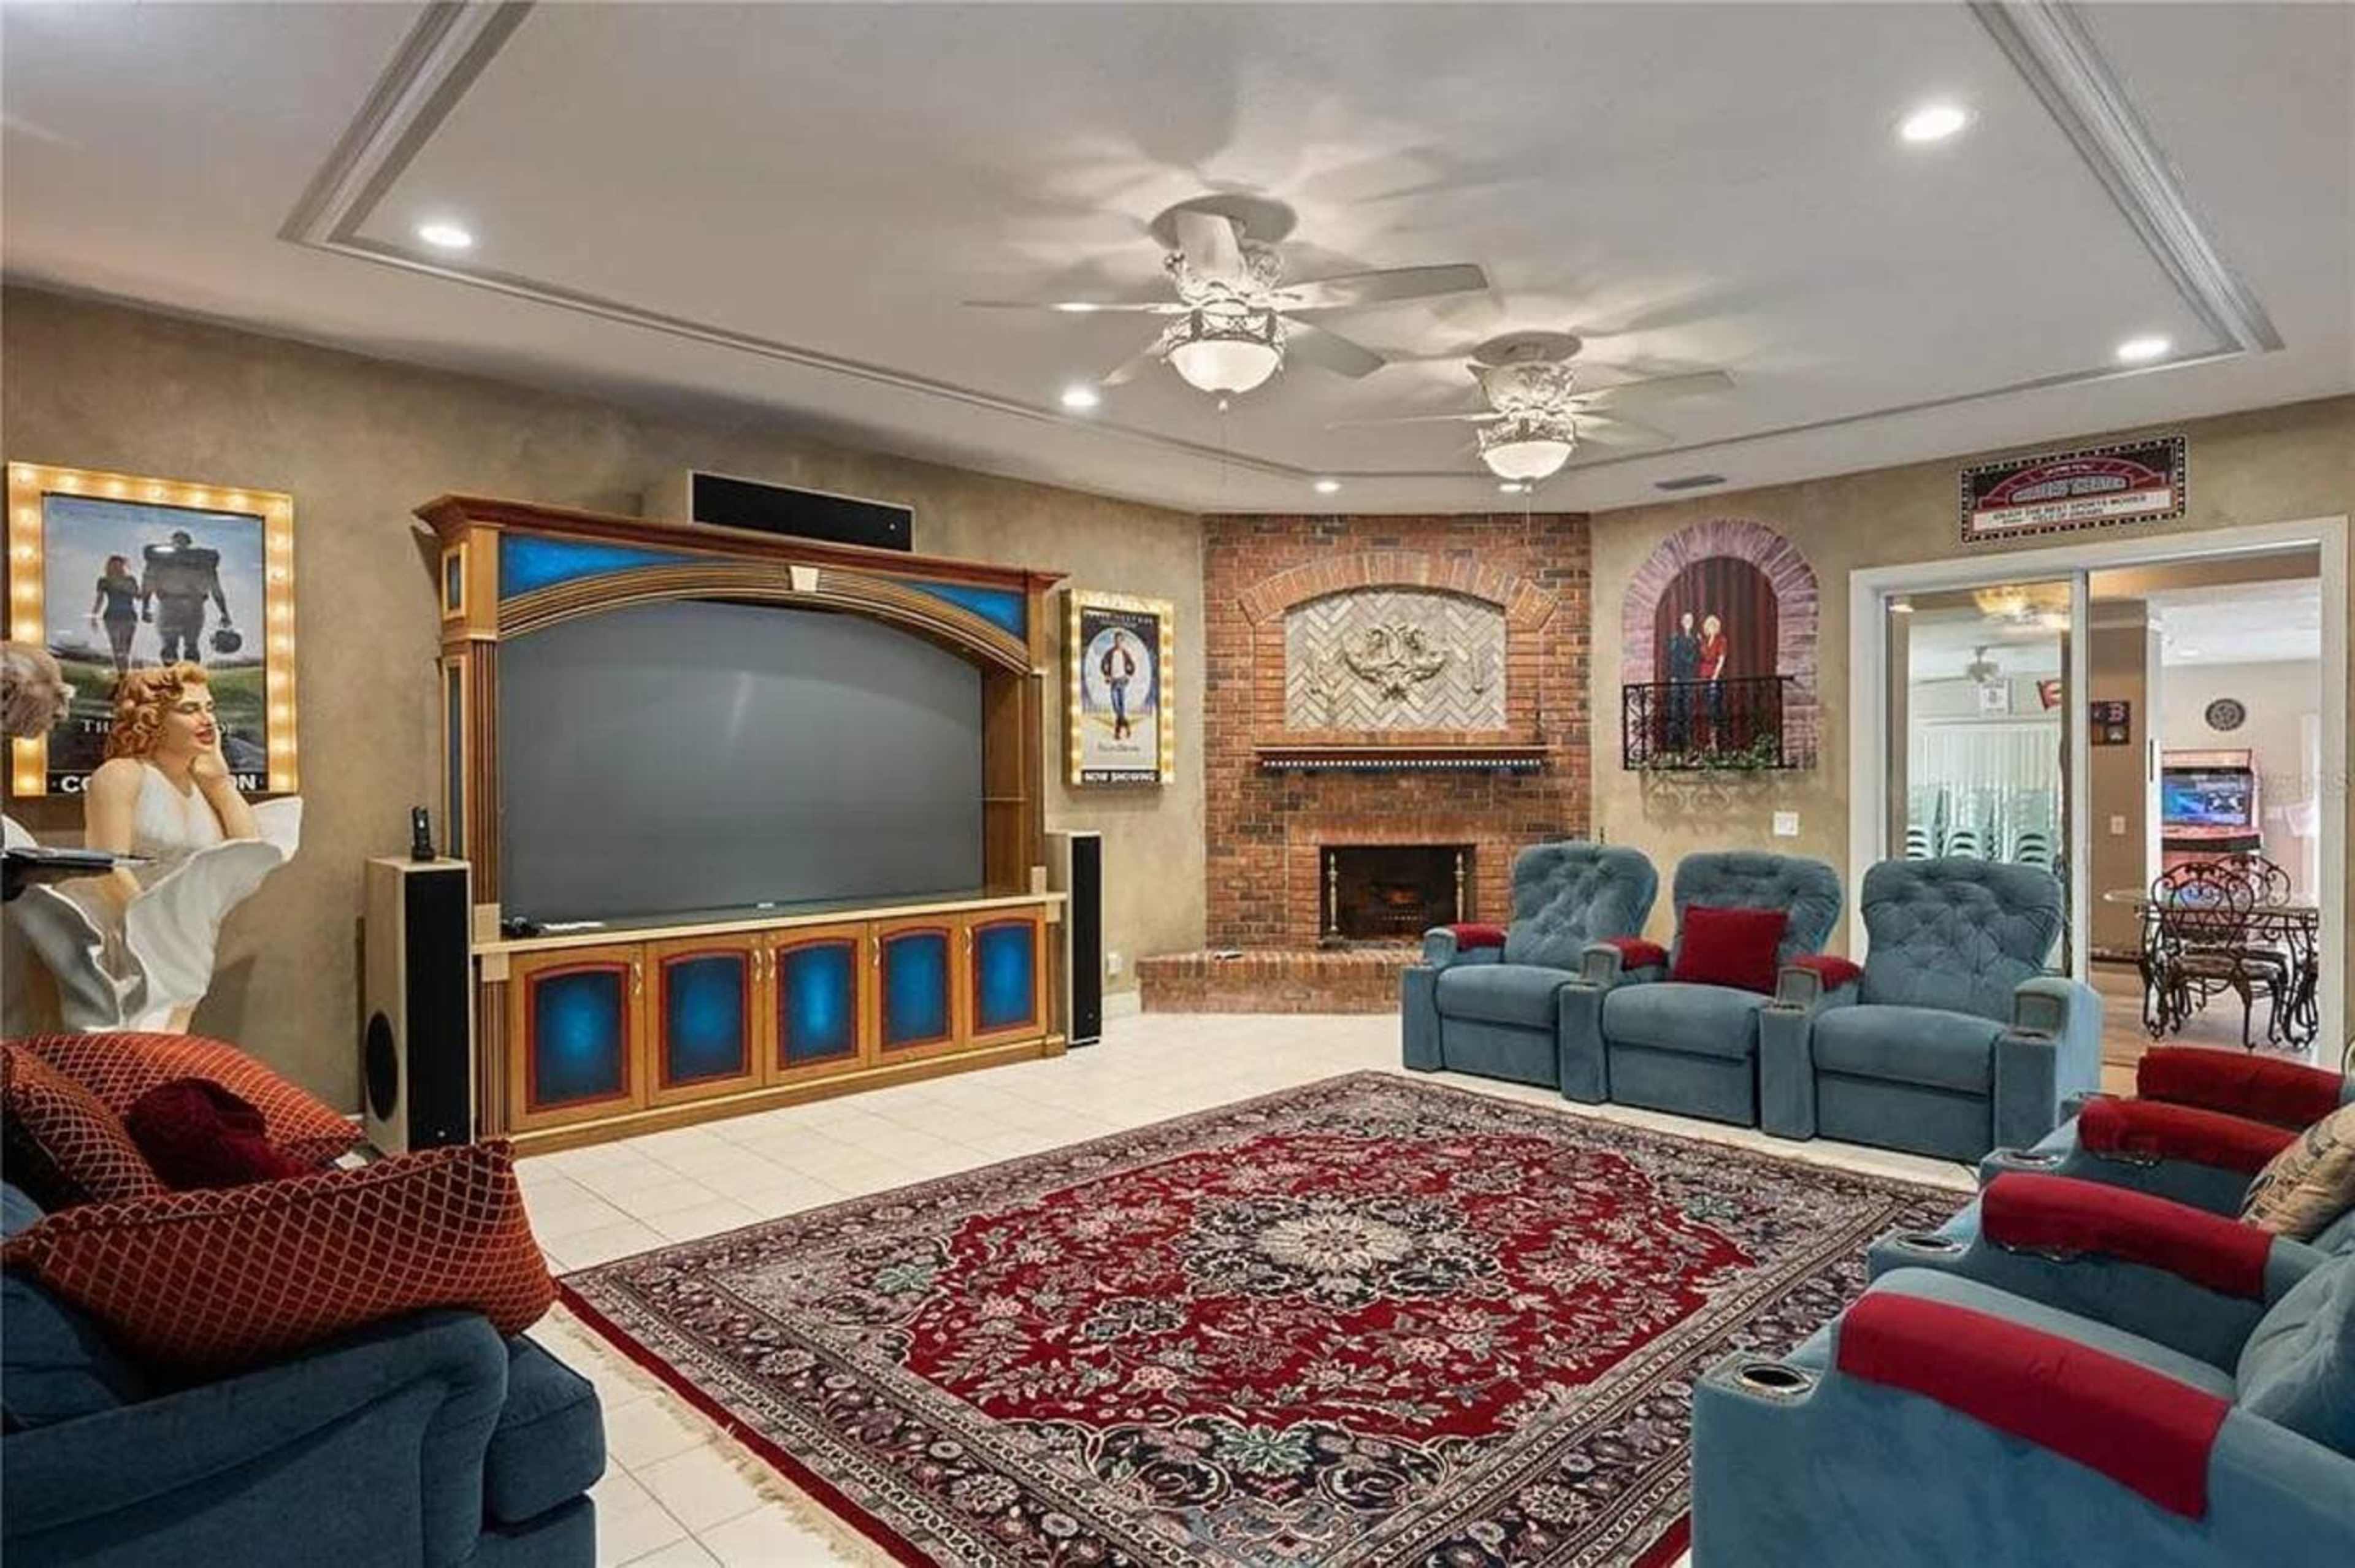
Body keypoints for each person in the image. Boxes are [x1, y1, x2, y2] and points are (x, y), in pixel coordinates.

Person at [140, 529, 231, 665]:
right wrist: (224, 613)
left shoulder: (202, 562)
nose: (180, 544)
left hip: (185, 606)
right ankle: (176, 679)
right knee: (175, 646)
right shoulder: (162, 560)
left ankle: (187, 678)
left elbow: (216, 589)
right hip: (175, 605)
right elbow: (148, 584)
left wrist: (224, 613)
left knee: (188, 645)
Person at [89, 553, 142, 676]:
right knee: (116, 646)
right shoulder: (105, 581)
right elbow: (100, 599)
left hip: (129, 616)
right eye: (114, 565)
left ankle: (125, 673)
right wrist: (94, 616)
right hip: (112, 616)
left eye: (120, 565)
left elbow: (138, 596)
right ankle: (121, 673)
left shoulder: (130, 580)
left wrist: (143, 590)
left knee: (125, 647)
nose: (117, 568)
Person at [1100, 630, 1138, 741]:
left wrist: (1128, 675)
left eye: (1120, 640)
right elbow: (1103, 664)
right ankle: (1126, 725)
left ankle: (1117, 732)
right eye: (1116, 640)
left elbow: (1132, 666)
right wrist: (1107, 675)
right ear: (1114, 641)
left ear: (1122, 641)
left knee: (1121, 706)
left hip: (1122, 681)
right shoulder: (1110, 653)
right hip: (1113, 681)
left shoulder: (1126, 653)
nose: (1118, 642)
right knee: (1116, 706)